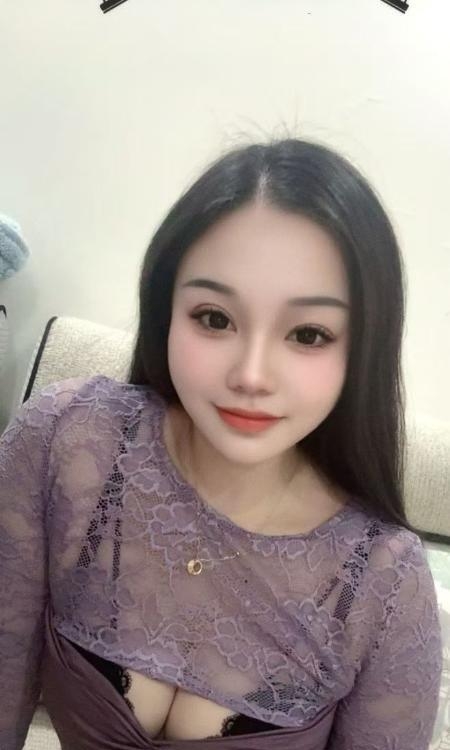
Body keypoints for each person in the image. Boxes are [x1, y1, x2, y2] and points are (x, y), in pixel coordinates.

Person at [0, 138, 443, 750]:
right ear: (166, 308)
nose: (251, 375)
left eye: (308, 334)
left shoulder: (384, 584)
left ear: (361, 350)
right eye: (214, 318)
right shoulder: (66, 442)